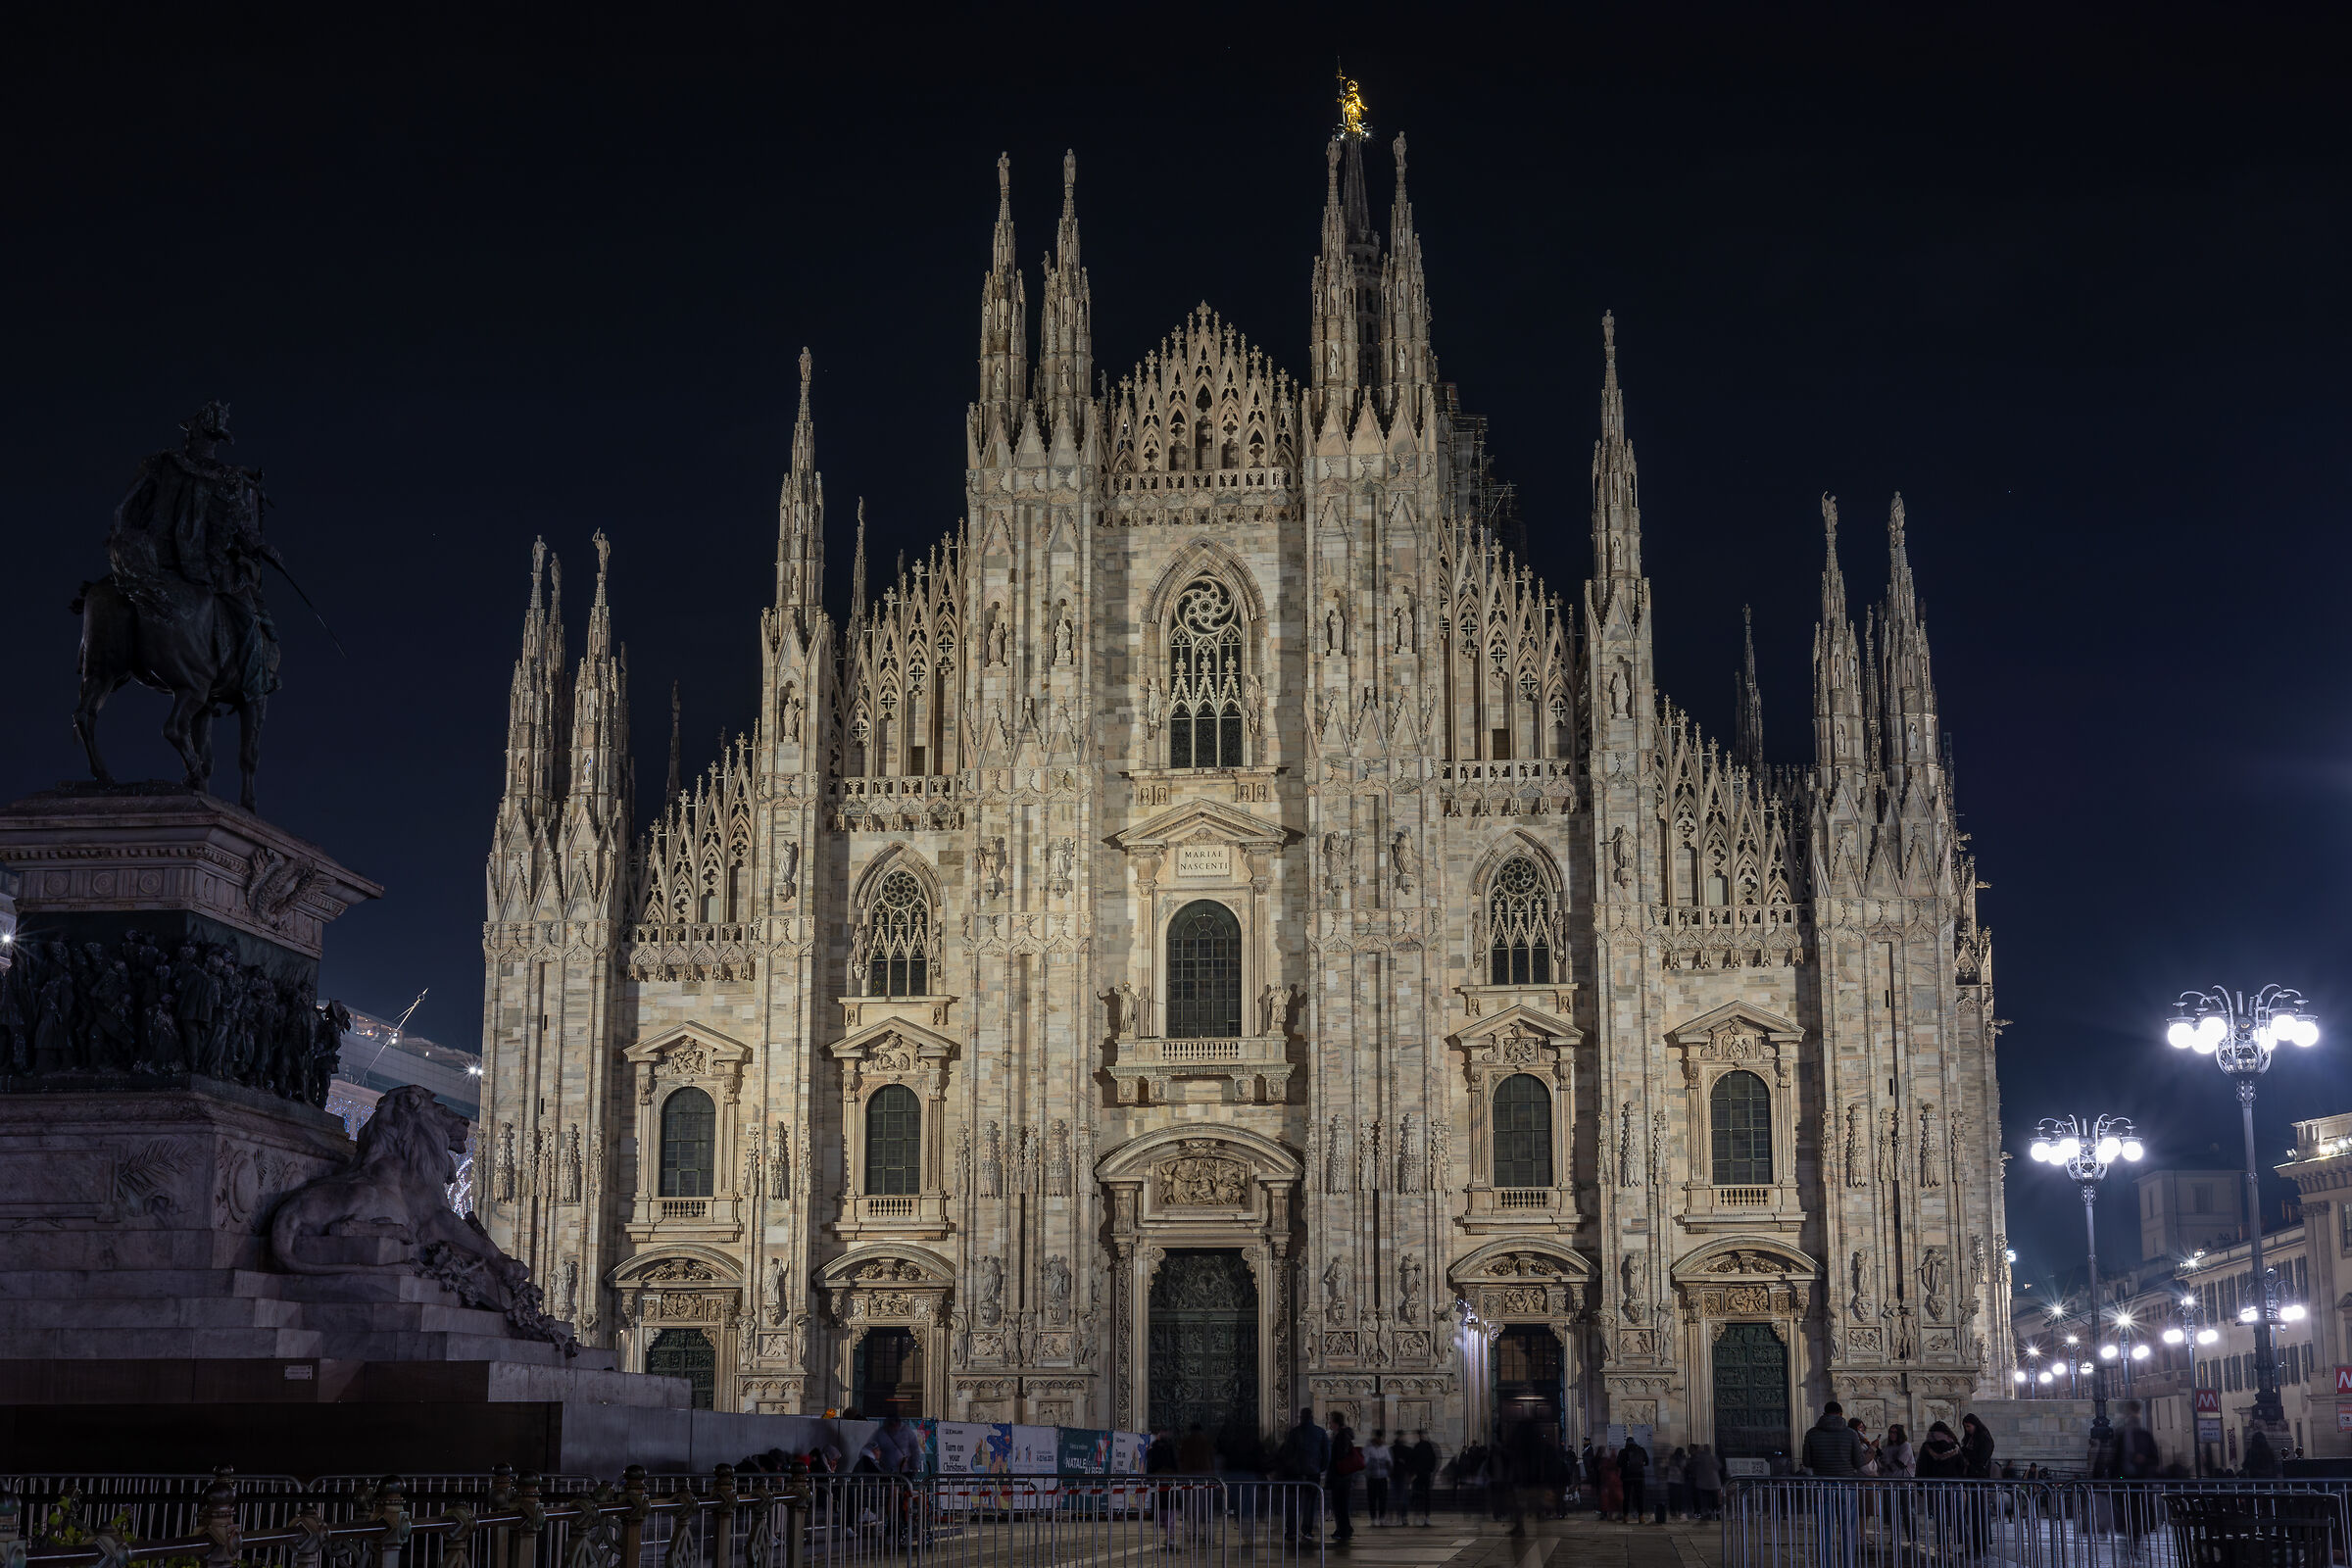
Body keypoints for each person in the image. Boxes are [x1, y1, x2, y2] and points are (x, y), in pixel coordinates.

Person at [1282, 1407, 1330, 1542]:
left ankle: (1291, 1530)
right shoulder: (1320, 1432)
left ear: (1301, 1417)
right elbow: (1326, 1454)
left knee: (1294, 1503)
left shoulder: (1294, 1432)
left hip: (1295, 1473)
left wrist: (1290, 1467)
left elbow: (1287, 1453)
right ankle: (1307, 1530)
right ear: (1312, 1417)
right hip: (1313, 1473)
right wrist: (1321, 1468)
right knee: (1310, 1503)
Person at [1802, 1400, 1865, 1475]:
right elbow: (1859, 1462)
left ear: (1824, 1414)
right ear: (1841, 1414)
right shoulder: (1851, 1433)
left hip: (1821, 1480)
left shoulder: (1811, 1433)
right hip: (1846, 1480)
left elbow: (1807, 1462)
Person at [1325, 1410, 1359, 1544]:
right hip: (1343, 1476)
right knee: (1340, 1504)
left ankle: (1343, 1530)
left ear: (1336, 1423)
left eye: (1331, 1421)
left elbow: (1340, 1455)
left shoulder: (1341, 1436)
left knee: (1340, 1505)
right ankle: (1344, 1528)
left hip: (1341, 1476)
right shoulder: (1342, 1435)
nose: (1329, 1423)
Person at [1404, 1430, 1438, 1526]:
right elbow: (1433, 1459)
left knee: (1419, 1495)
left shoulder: (1418, 1447)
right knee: (1425, 1496)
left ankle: (1420, 1516)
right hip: (1425, 1474)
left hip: (1419, 1475)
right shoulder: (1427, 1446)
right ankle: (1426, 1517)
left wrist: (1412, 1473)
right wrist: (1431, 1471)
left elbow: (1412, 1461)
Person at [1364, 1429, 1394, 1526]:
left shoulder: (1385, 1448)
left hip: (1382, 1477)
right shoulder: (1369, 1448)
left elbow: (1389, 1461)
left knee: (1382, 1499)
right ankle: (1373, 1518)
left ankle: (1381, 1518)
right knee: (1372, 1499)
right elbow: (1365, 1461)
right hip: (1372, 1477)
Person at [1619, 1436, 1649, 1524]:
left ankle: (1625, 1517)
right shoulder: (1641, 1450)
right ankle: (1641, 1517)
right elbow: (1647, 1462)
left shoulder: (1623, 1451)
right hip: (1639, 1477)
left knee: (1626, 1497)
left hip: (1627, 1477)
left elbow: (1618, 1463)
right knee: (1640, 1497)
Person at [1689, 1445, 1722, 1521]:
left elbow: (1692, 1467)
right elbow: (1718, 1466)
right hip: (1713, 1482)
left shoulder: (1699, 1458)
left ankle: (1706, 1513)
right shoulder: (1712, 1457)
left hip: (1703, 1483)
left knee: (1704, 1500)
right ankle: (1714, 1513)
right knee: (1713, 1500)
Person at [1665, 1446, 1688, 1521]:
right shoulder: (1681, 1459)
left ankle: (1673, 1511)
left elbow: (1667, 1467)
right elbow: (1683, 1468)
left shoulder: (1671, 1458)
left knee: (1672, 1497)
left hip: (1671, 1480)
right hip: (1679, 1480)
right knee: (1679, 1497)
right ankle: (1679, 1510)